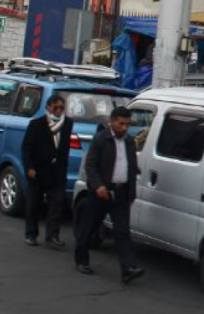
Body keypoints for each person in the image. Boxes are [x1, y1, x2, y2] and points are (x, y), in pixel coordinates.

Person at [74, 107, 145, 284]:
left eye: (127, 124)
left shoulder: (129, 142)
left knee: (122, 231)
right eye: (121, 124)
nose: (124, 128)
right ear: (112, 121)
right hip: (101, 192)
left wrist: (131, 192)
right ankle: (81, 259)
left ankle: (128, 268)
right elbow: (90, 166)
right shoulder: (101, 139)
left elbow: (131, 167)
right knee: (89, 226)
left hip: (121, 193)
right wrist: (98, 186)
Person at [22, 95, 74, 249]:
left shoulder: (67, 124)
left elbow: (64, 148)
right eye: (55, 108)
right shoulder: (36, 125)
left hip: (57, 173)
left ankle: (52, 236)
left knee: (56, 205)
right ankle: (31, 234)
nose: (58, 111)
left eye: (61, 108)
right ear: (48, 108)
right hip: (38, 171)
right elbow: (27, 148)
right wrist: (29, 167)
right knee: (34, 204)